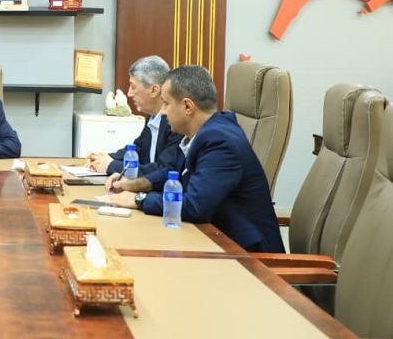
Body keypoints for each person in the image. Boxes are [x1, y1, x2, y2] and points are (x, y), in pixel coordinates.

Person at [104, 65, 284, 253]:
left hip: (249, 257)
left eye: (166, 104)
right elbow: (172, 173)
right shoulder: (203, 132)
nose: (163, 112)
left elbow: (195, 206)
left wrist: (138, 199)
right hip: (214, 239)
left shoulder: (221, 141)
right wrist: (134, 185)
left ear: (188, 107)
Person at [87, 55, 184, 184]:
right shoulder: (152, 117)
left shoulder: (176, 123)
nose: (129, 93)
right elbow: (137, 150)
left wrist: (111, 165)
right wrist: (103, 158)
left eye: (133, 87)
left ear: (154, 90)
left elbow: (164, 170)